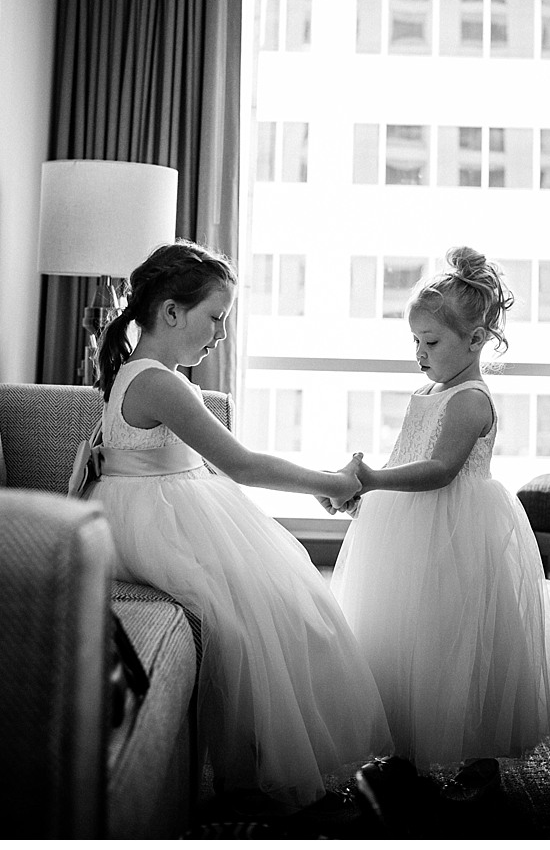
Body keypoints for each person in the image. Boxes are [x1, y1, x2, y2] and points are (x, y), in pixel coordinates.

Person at [93, 240, 391, 817]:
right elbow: (243, 464)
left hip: (158, 506)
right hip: (153, 522)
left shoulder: (148, 375)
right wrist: (334, 483)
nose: (221, 335)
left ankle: (259, 771)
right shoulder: (159, 382)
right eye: (216, 319)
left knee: (288, 599)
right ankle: (256, 782)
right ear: (171, 312)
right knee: (280, 608)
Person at [326, 247, 550, 818]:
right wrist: (370, 493)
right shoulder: (427, 391)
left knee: (454, 640)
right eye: (416, 342)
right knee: (401, 631)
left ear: (476, 339)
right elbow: (409, 453)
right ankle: (403, 747)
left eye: (431, 343)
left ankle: (478, 758)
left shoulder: (471, 399)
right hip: (407, 529)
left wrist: (375, 478)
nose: (419, 354)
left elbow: (439, 470)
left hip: (458, 532)